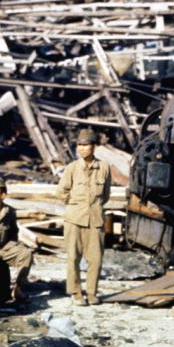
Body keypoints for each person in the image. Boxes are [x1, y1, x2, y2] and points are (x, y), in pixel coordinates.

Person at [56, 128, 111, 306]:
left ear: (93, 147)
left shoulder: (103, 168)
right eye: (79, 145)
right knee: (73, 258)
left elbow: (106, 195)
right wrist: (76, 205)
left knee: (95, 259)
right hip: (74, 219)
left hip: (95, 220)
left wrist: (93, 207)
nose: (82, 148)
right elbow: (61, 192)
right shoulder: (72, 168)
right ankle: (76, 292)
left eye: (85, 145)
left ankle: (92, 292)